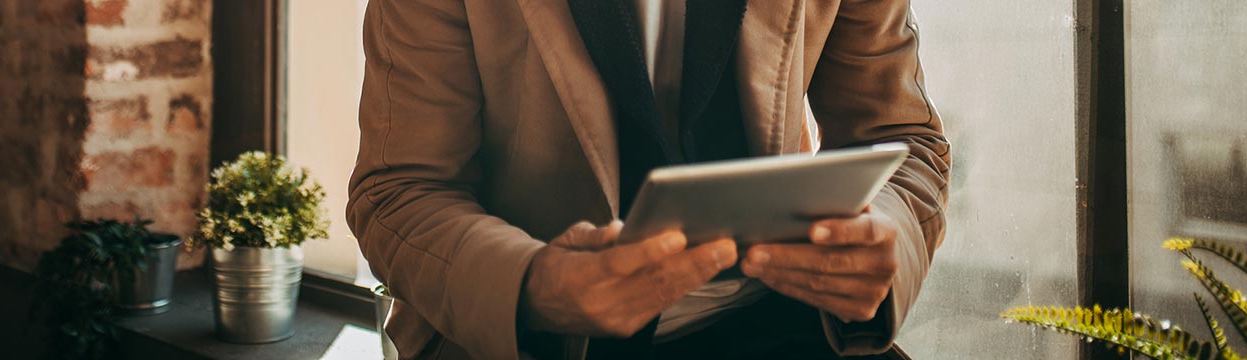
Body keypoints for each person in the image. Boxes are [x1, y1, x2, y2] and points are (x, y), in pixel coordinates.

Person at [348, 0, 948, 358]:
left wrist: (885, 237)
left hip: (789, 323)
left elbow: (906, 141)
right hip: (543, 345)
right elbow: (398, 192)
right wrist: (534, 286)